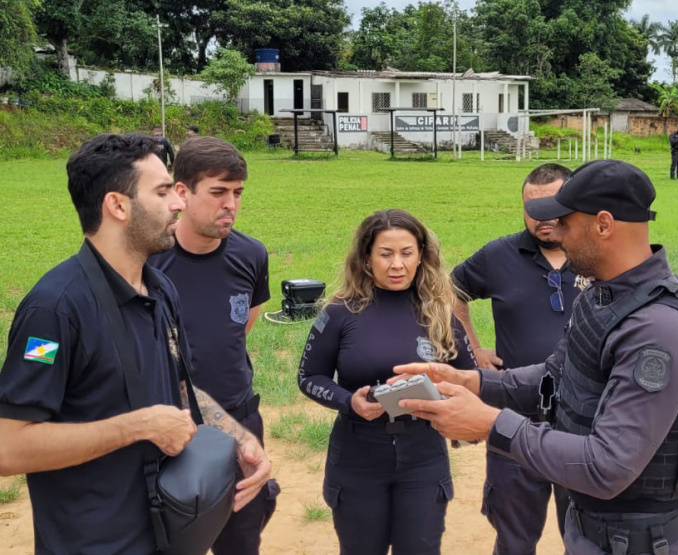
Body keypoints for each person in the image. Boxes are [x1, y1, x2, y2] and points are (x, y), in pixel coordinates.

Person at [393, 160, 678, 555]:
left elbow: (607, 466)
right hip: (594, 531)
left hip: (648, 543)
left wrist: (491, 424)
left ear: (603, 224)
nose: (557, 235)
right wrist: (473, 382)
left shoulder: (660, 331)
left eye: (564, 222)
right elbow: (553, 378)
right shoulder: (601, 298)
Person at [0, 133, 270, 555]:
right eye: (163, 192)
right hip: (93, 541)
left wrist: (240, 438)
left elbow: (180, 389)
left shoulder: (159, 289)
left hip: (165, 531)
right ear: (118, 205)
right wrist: (135, 427)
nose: (178, 203)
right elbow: (9, 446)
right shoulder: (55, 310)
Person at [297, 209, 477, 555]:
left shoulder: (441, 314)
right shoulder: (339, 313)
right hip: (357, 455)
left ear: (421, 256)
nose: (397, 264)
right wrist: (350, 402)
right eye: (386, 254)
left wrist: (442, 395)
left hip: (423, 456)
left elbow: (470, 380)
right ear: (366, 258)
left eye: (407, 253)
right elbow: (309, 377)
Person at [149, 136, 278, 555]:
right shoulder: (149, 261)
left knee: (241, 540)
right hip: (168, 426)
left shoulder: (251, 254)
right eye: (218, 192)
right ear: (181, 192)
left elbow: (240, 327)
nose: (231, 204)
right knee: (168, 539)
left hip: (238, 420)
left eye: (238, 192)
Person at [452, 163, 584, 555]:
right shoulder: (498, 255)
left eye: (553, 207)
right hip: (515, 416)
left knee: (587, 535)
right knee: (514, 536)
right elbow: (451, 292)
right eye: (531, 209)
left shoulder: (595, 255)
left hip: (584, 420)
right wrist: (474, 349)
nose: (542, 219)